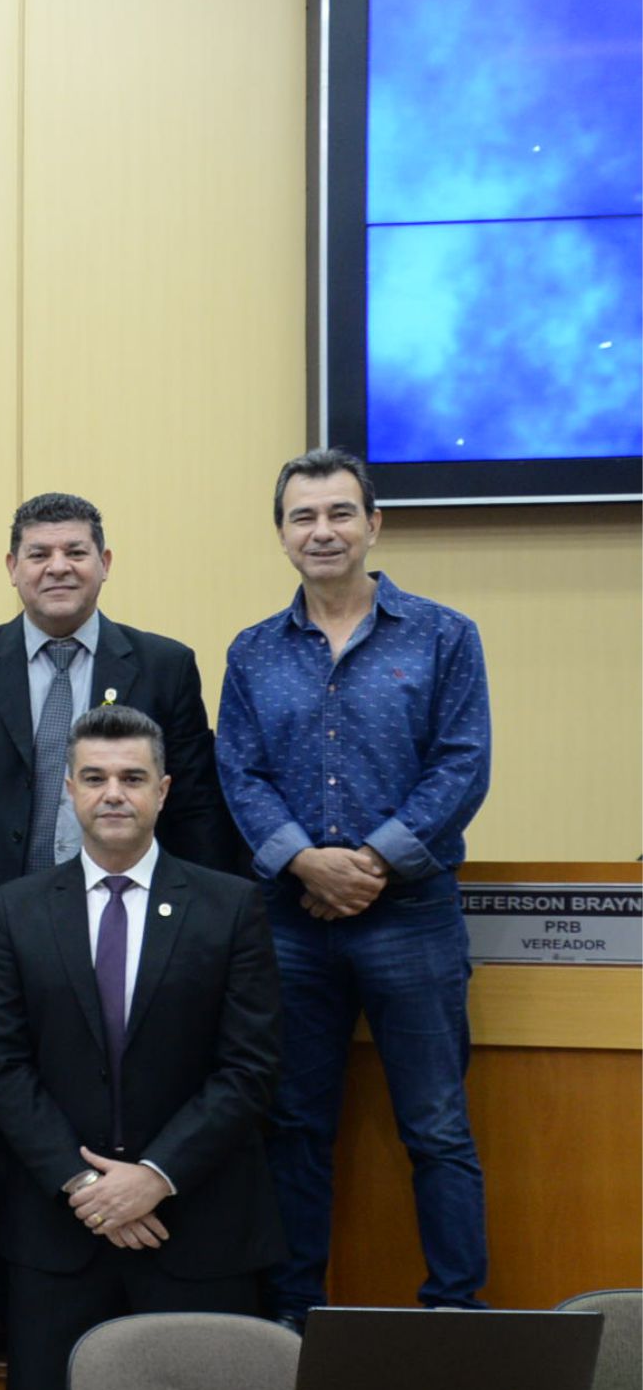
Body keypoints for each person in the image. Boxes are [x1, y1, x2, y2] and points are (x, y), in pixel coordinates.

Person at [0, 491, 230, 1358]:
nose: (57, 566)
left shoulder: (160, 661)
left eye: (75, 551)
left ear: (104, 563)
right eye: (38, 552)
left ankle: (124, 1252)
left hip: (126, 914)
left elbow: (188, 797)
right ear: (11, 566)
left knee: (110, 1079)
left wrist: (208, 916)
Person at [219, 448, 494, 1323]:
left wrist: (371, 860)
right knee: (293, 1130)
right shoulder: (253, 651)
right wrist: (304, 861)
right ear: (281, 535)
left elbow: (462, 763)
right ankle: (293, 1324)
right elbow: (240, 772)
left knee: (438, 1130)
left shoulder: (444, 634)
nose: (321, 530)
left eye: (338, 513)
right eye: (302, 517)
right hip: (290, 921)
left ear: (373, 525)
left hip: (411, 915)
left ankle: (454, 1314)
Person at [0, 705, 285, 1390]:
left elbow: (249, 1066)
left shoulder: (229, 905)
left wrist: (153, 1177)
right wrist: (84, 1185)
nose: (112, 792)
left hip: (197, 1231)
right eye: (94, 777)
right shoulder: (15, 910)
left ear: (163, 790)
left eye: (131, 777)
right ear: (68, 792)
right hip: (58, 1239)